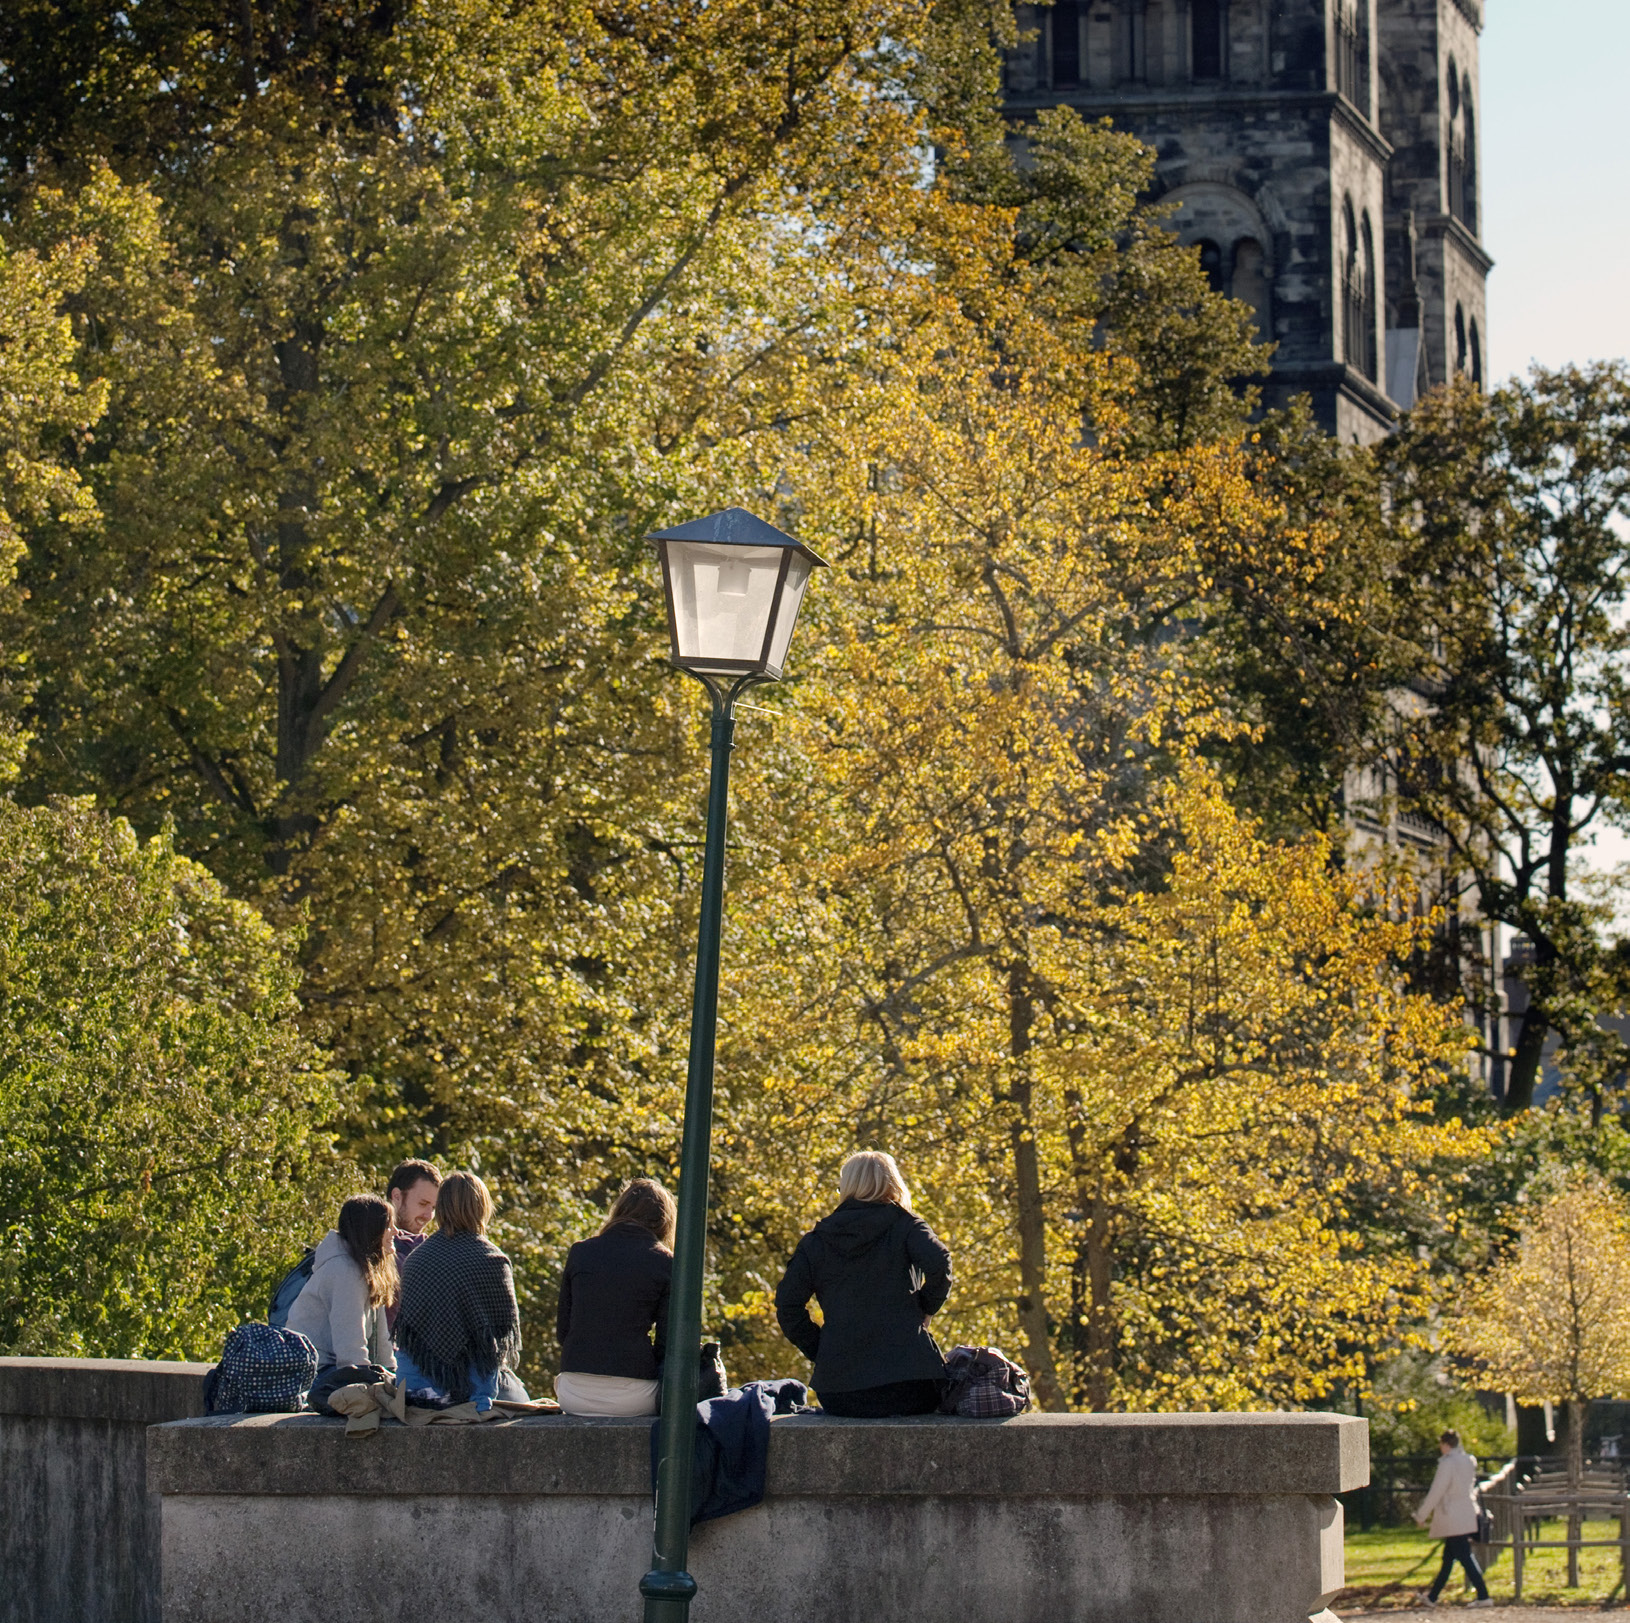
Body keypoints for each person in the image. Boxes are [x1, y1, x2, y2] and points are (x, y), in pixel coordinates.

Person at [774, 1150, 951, 1418]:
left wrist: (822, 1351)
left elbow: (788, 1306)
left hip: (841, 1393)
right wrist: (925, 1309)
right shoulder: (907, 1227)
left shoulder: (818, 1240)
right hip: (911, 1385)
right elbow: (940, 1263)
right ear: (893, 1183)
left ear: (846, 1186)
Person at [394, 1170, 528, 1410]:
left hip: (414, 1390)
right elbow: (500, 1337)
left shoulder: (415, 1260)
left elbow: (408, 1335)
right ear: (481, 1208)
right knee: (520, 1396)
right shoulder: (492, 1259)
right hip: (472, 1395)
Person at [554, 1177, 675, 1416]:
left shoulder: (581, 1252)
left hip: (573, 1391)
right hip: (633, 1395)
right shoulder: (665, 1262)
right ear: (664, 1222)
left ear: (619, 1210)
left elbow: (563, 1332)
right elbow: (667, 1344)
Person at [284, 1193, 398, 1409]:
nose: (395, 1231)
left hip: (333, 1370)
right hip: (315, 1375)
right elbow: (350, 1349)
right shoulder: (345, 1271)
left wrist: (393, 1377)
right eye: (388, 1225)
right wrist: (371, 1385)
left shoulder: (366, 1270)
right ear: (371, 1230)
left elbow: (382, 1343)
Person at [1415, 1429, 1494, 1607]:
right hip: (1466, 1512)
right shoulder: (1468, 1460)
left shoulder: (1447, 1463)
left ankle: (1483, 1595)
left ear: (1445, 1444)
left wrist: (1422, 1514)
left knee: (1464, 1557)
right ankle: (1432, 1597)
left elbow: (1437, 1491)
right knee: (1449, 1558)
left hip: (1452, 1515)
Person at [384, 1158, 441, 1331]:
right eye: (423, 1204)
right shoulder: (362, 1244)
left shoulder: (431, 1252)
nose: (428, 1215)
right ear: (397, 1197)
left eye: (433, 1208)